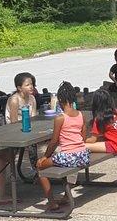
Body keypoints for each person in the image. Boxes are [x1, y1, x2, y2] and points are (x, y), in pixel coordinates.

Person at [36, 82, 90, 211]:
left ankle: (51, 201)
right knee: (69, 164)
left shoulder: (60, 118)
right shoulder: (81, 115)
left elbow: (54, 141)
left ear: (60, 100)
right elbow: (83, 138)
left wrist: (44, 157)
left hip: (69, 156)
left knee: (40, 168)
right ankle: (66, 195)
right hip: (83, 155)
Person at [5, 73, 38, 173]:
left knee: (34, 142)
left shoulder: (32, 98)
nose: (31, 87)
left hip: (28, 128)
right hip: (14, 130)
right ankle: (11, 171)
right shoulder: (14, 100)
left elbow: (33, 117)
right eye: (27, 85)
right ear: (19, 87)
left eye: (31, 84)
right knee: (14, 151)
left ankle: (36, 169)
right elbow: (13, 121)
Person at [85, 89, 117, 154]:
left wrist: (82, 139)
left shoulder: (99, 118)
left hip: (116, 145)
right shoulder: (116, 112)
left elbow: (92, 140)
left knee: (81, 146)